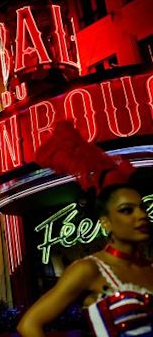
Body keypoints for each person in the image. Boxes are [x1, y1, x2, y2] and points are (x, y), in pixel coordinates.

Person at [17, 120, 152, 336]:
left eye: (142, 207)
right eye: (127, 210)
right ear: (105, 222)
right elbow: (29, 324)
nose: (141, 215)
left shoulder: (149, 268)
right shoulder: (90, 270)